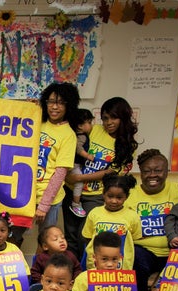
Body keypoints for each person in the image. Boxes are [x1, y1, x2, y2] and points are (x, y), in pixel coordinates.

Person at [63, 97, 138, 259]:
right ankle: (73, 272)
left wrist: (80, 178)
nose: (109, 122)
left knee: (84, 236)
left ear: (123, 118)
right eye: (105, 118)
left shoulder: (127, 145)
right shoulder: (95, 129)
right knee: (70, 235)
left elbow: (110, 172)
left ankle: (86, 270)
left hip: (94, 197)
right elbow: (74, 138)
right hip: (71, 191)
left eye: (113, 117)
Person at [12, 82, 79, 245]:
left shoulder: (68, 135)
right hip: (24, 194)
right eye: (50, 101)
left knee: (47, 242)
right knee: (12, 237)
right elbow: (9, 121)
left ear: (69, 105)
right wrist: (27, 108)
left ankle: (40, 271)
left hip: (49, 198)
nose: (54, 107)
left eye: (60, 102)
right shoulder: (37, 120)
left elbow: (60, 173)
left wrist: (43, 205)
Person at [125, 149, 178, 291]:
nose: (152, 175)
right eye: (147, 171)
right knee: (134, 258)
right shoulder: (130, 194)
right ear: (141, 173)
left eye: (158, 170)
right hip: (145, 251)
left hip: (175, 251)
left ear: (167, 171)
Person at [82, 174, 142, 270]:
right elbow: (87, 237)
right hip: (95, 266)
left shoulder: (132, 216)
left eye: (119, 198)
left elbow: (135, 240)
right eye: (110, 196)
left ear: (126, 197)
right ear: (103, 194)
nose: (114, 201)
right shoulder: (95, 213)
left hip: (122, 268)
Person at [68, 108, 95, 218]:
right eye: (89, 122)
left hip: (76, 164)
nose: (91, 125)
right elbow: (78, 148)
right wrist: (87, 156)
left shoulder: (81, 135)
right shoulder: (81, 136)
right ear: (79, 126)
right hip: (73, 164)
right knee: (79, 182)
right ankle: (75, 204)